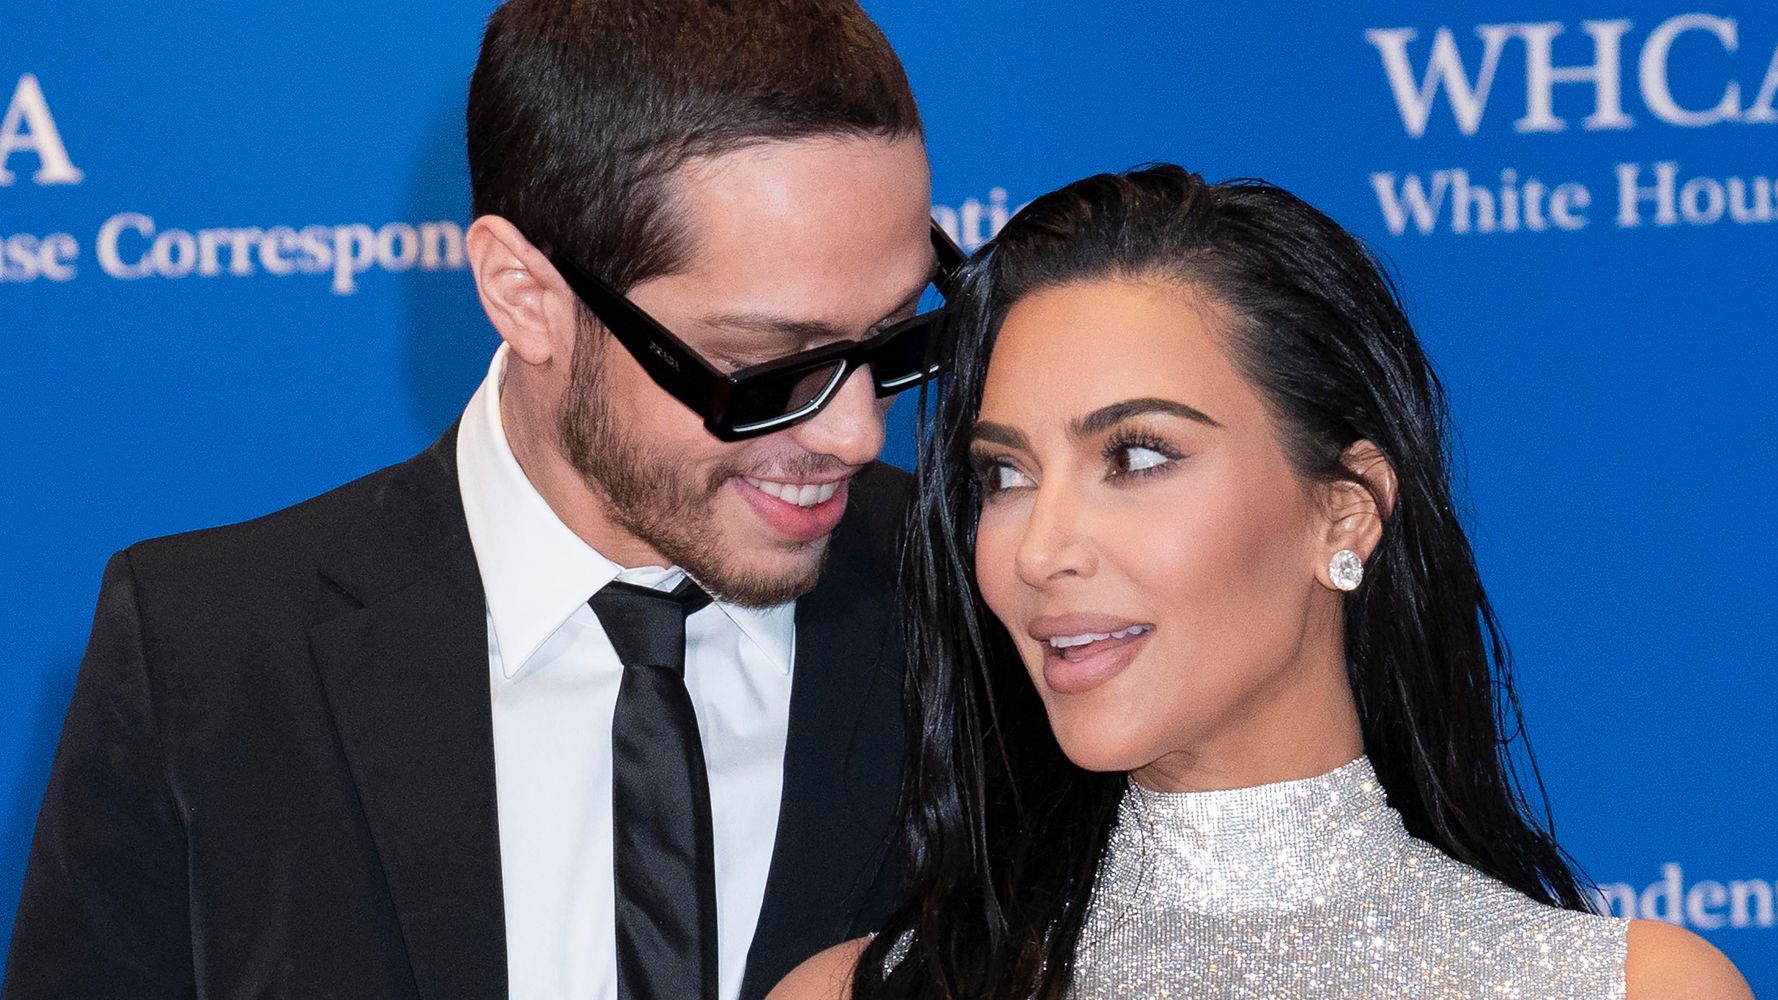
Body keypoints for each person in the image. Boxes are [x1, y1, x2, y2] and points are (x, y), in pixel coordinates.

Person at [3, 2, 961, 998]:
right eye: (767, 369)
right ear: (523, 294)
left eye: (897, 339)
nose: (857, 434)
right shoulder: (203, 656)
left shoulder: (974, 600)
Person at [771, 166, 1752, 999]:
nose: (1039, 550)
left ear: (1345, 512)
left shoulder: (1627, 987)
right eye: (1005, 475)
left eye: (1137, 457)